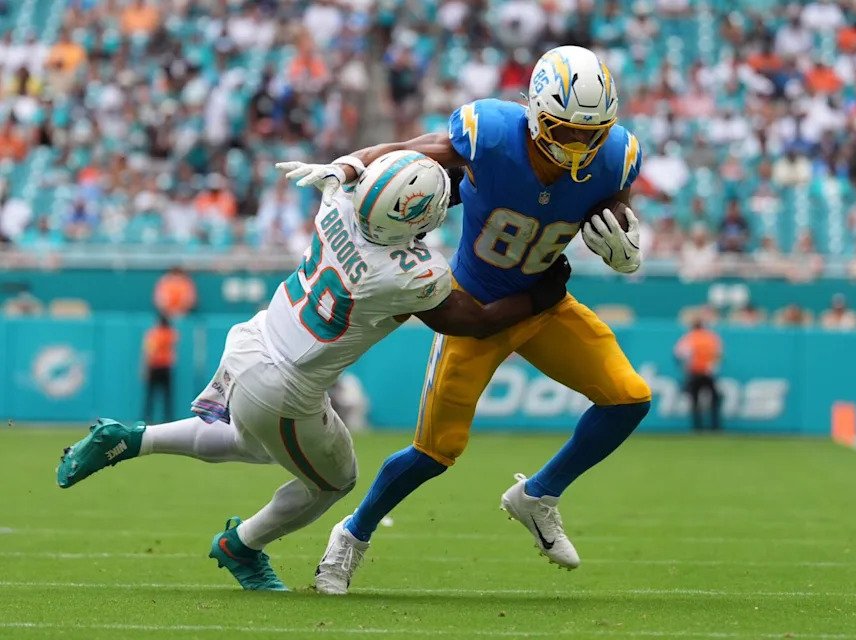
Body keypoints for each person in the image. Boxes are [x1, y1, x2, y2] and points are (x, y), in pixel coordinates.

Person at [55, 152, 571, 591]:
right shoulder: (408, 274)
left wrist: (353, 167)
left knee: (249, 441)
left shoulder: (337, 199)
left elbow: (360, 168)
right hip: (287, 384)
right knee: (334, 482)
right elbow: (476, 323)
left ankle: (130, 438)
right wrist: (545, 292)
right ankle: (241, 546)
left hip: (254, 341)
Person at [281, 45, 650, 592]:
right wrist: (350, 164)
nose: (577, 146)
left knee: (629, 398)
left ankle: (538, 496)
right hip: (473, 307)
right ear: (534, 112)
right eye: (564, 130)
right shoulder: (493, 135)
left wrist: (626, 247)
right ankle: (351, 535)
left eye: (588, 133)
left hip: (546, 308)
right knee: (434, 453)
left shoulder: (617, 154)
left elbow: (612, 206)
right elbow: (409, 152)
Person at [674, 318, 722, 431]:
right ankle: (715, 427)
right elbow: (719, 354)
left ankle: (697, 427)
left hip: (694, 373)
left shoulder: (689, 337)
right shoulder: (711, 337)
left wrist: (685, 368)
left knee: (695, 400)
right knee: (715, 399)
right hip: (708, 373)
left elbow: (678, 354)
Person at [142, 315, 177, 423]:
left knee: (150, 395)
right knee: (167, 396)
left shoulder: (153, 334)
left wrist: (144, 367)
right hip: (166, 367)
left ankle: (147, 418)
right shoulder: (170, 334)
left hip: (154, 366)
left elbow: (149, 351)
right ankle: (168, 419)